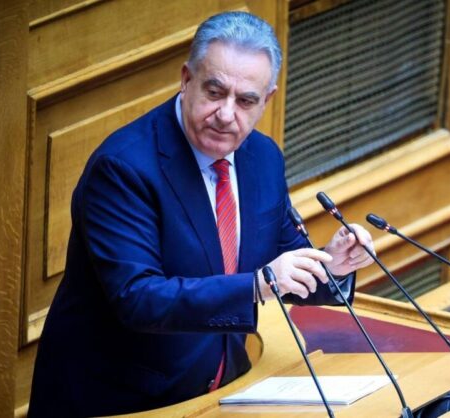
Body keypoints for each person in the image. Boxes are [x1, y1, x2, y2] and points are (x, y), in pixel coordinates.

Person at [28, 11, 374, 417]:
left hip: (219, 392)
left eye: (245, 101)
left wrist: (332, 265)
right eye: (215, 92)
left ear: (267, 100)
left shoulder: (263, 158)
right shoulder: (123, 168)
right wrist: (258, 284)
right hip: (125, 403)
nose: (226, 114)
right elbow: (138, 298)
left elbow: (283, 265)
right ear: (186, 79)